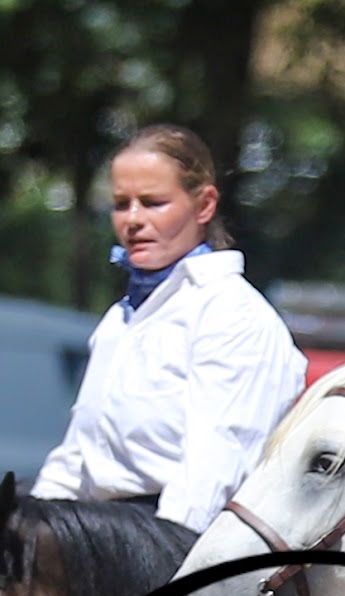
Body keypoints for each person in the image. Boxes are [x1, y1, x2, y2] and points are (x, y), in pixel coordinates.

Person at [32, 124, 307, 528]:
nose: (133, 220)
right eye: (121, 204)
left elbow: (211, 476)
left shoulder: (232, 314)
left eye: (153, 202)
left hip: (179, 539)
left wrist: (155, 560)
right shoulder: (122, 318)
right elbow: (77, 457)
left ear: (205, 205)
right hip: (102, 530)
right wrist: (28, 529)